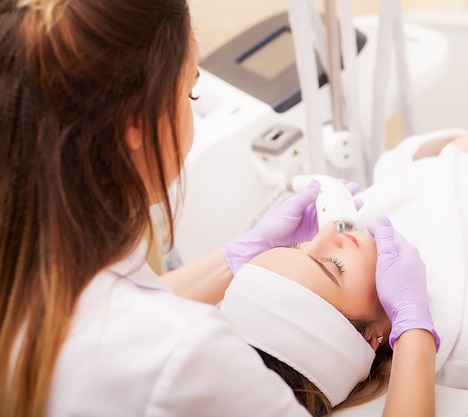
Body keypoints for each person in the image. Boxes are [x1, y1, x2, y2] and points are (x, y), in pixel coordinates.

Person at [0, 1, 436, 416]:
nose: (325, 235)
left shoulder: (32, 277)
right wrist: (415, 330)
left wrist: (239, 257)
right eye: (191, 96)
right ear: (137, 125)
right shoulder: (190, 355)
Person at [219, 114, 468, 413]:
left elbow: (396, 169)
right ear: (371, 336)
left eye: (298, 246)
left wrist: (449, 152)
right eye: (331, 266)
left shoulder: (366, 241)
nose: (327, 234)